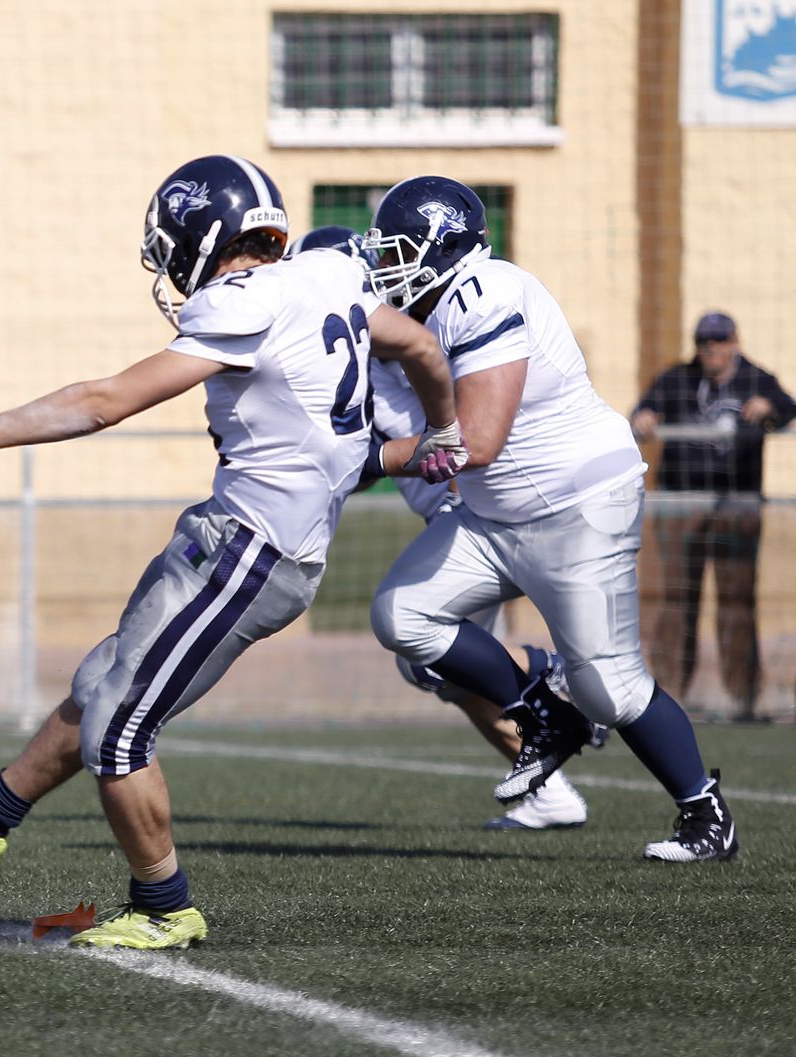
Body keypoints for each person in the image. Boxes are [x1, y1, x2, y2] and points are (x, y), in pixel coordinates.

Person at [0, 155, 464, 950]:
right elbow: (421, 347)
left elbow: (104, 402)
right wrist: (444, 429)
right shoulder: (330, 275)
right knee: (99, 684)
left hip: (253, 553)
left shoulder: (241, 300)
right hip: (231, 534)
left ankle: (164, 905)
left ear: (201, 238)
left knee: (118, 726)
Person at [364, 176, 740, 863]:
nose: (386, 268)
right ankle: (543, 708)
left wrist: (371, 459)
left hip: (575, 508)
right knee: (402, 613)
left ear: (442, 247)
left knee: (610, 687)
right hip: (492, 517)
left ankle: (703, 810)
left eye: (396, 252)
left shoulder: (484, 291)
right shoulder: (427, 312)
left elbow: (476, 440)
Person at [287, 225, 601, 831]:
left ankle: (550, 673)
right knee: (440, 670)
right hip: (448, 509)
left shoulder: (410, 339)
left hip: (470, 508)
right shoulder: (370, 351)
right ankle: (549, 783)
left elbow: (452, 421)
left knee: (429, 653)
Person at [630, 311, 795, 723]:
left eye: (719, 341)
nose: (711, 348)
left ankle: (743, 698)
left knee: (736, 602)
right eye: (704, 341)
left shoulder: (756, 378)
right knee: (675, 600)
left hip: (735, 506)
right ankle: (666, 697)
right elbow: (643, 408)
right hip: (681, 505)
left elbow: (788, 408)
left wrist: (769, 406)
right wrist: (644, 416)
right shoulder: (678, 378)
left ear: (734, 342)